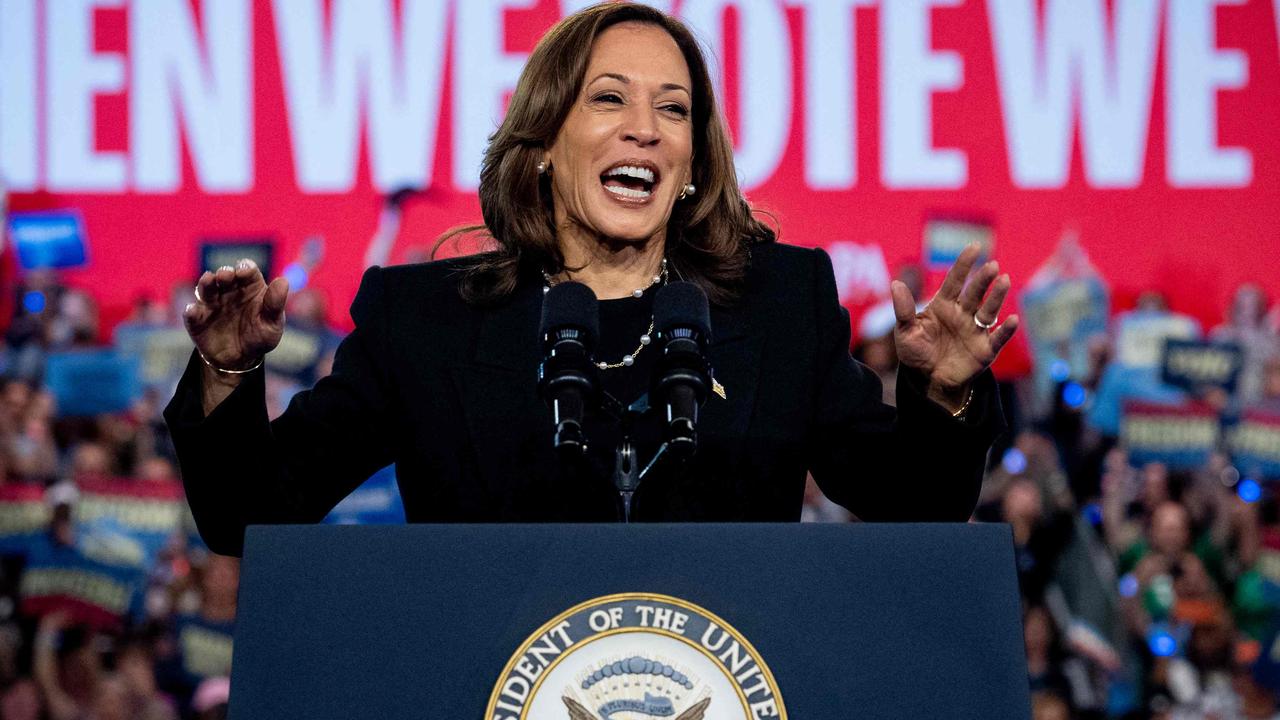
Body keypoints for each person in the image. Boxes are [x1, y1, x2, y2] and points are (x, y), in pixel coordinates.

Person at [164, 2, 1019, 557]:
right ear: (542, 147)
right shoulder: (422, 321)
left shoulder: (781, 305)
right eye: (609, 100)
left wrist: (941, 396)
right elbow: (250, 514)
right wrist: (228, 373)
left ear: (690, 164)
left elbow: (916, 510)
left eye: (674, 109)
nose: (645, 130)